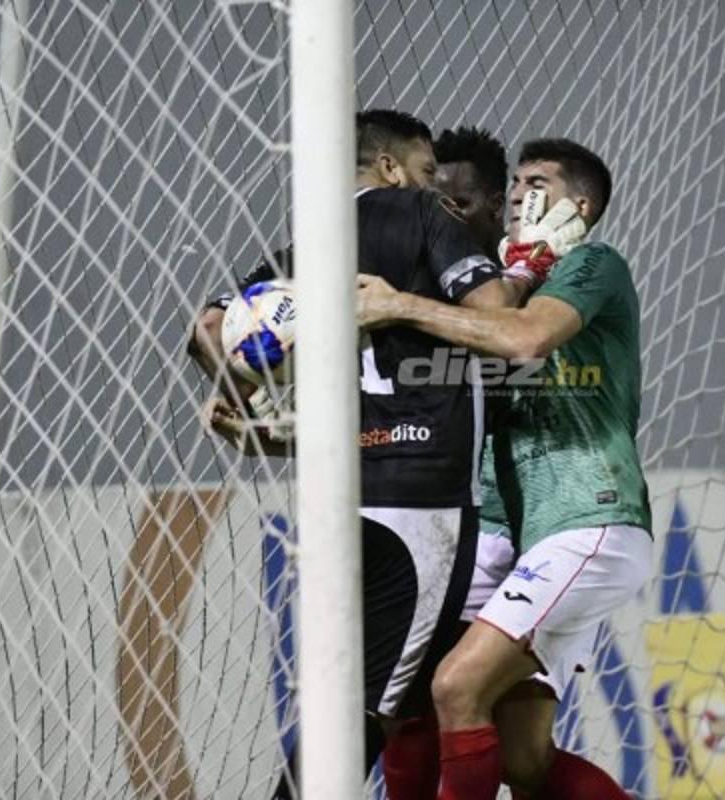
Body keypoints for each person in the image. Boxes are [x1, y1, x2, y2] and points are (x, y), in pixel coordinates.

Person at [188, 109, 511, 799]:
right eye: (427, 170)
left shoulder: (309, 244)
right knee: (373, 711)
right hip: (423, 494)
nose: (435, 185)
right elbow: (501, 320)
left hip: (343, 494)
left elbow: (209, 327)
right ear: (391, 167)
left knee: (385, 694)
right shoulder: (424, 216)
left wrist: (252, 406)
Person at [357, 138, 649, 800]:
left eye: (536, 184)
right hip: (504, 533)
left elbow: (526, 338)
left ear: (580, 207)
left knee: (455, 687)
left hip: (588, 519)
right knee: (518, 757)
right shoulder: (489, 289)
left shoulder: (590, 264)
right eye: (515, 183)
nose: (519, 194)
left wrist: (398, 304)